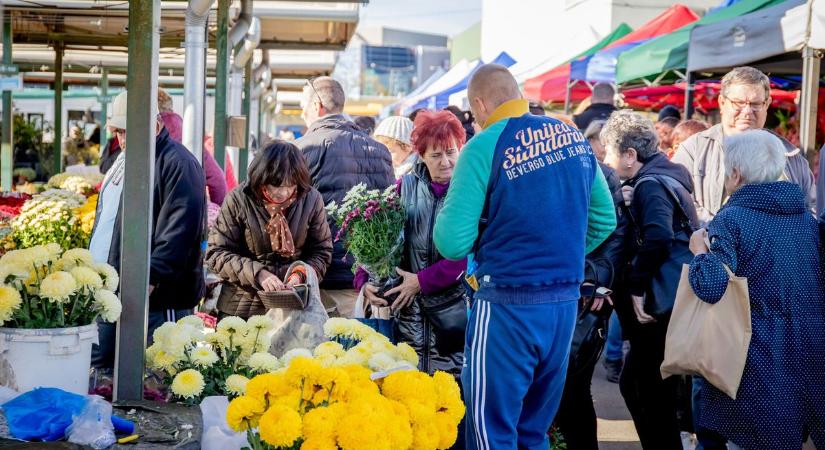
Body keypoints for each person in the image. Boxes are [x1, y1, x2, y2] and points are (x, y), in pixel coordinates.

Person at [433, 64, 616, 449]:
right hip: (563, 305)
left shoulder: (483, 145)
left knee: (489, 432)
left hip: (505, 305)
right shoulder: (572, 137)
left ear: (479, 104)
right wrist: (556, 251)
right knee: (533, 432)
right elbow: (604, 219)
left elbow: (451, 242)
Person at [688, 130, 825, 450]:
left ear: (735, 173)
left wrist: (699, 252)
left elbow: (710, 286)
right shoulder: (804, 217)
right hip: (808, 347)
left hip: (756, 354)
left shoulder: (731, 218)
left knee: (750, 438)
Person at [601, 109, 698, 450]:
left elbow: (658, 234)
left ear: (630, 155)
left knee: (648, 390)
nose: (608, 161)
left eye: (611, 153)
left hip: (658, 305)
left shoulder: (649, 185)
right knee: (641, 385)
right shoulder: (667, 174)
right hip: (672, 299)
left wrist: (638, 288)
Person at [90, 90, 206, 369]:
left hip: (155, 297)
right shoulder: (125, 159)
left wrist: (149, 279)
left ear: (155, 125)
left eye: (130, 131)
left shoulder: (179, 163)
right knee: (105, 368)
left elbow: (179, 233)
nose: (124, 139)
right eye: (119, 132)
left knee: (155, 377)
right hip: (115, 289)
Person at [360, 110, 468, 377]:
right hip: (408, 317)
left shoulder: (470, 191)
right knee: (407, 388)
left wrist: (421, 281)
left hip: (452, 317)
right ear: (420, 155)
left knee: (450, 396)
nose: (445, 162)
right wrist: (366, 281)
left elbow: (468, 254)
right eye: (436, 155)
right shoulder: (403, 188)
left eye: (451, 152)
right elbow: (380, 242)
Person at [295, 77, 394, 318]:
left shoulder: (301, 150)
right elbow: (390, 213)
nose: (302, 115)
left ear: (316, 105)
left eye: (303, 108)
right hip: (364, 282)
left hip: (318, 278)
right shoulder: (379, 151)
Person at [673, 66, 816, 225]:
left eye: (755, 104)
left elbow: (811, 211)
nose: (747, 111)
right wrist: (724, 232)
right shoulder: (694, 149)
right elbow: (677, 200)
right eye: (739, 103)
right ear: (722, 102)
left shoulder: (791, 156)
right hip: (711, 247)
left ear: (767, 104)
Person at [206, 140, 333, 318]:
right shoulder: (238, 199)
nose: (283, 192)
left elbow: (321, 251)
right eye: (276, 185)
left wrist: (300, 274)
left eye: (290, 185)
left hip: (293, 306)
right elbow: (216, 253)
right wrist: (258, 274)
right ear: (262, 178)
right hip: (242, 306)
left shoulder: (311, 199)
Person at [554, 158, 629, 449]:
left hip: (586, 301)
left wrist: (591, 281)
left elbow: (615, 235)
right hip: (551, 294)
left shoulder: (598, 174)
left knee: (573, 390)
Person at [158, 89, 228, 206]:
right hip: (185, 208)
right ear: (170, 108)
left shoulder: (143, 134)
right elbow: (218, 181)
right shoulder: (188, 134)